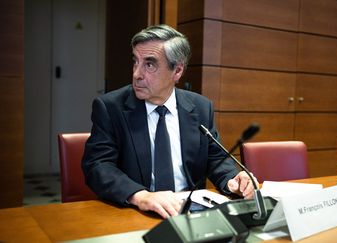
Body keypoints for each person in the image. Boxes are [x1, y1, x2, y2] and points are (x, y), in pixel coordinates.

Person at [82, 24, 256, 219]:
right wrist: (140, 196)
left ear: (177, 71)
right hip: (136, 212)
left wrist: (233, 179)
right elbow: (98, 165)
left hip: (188, 213)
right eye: (135, 62)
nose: (136, 74)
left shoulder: (200, 107)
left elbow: (215, 159)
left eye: (149, 64)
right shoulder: (110, 107)